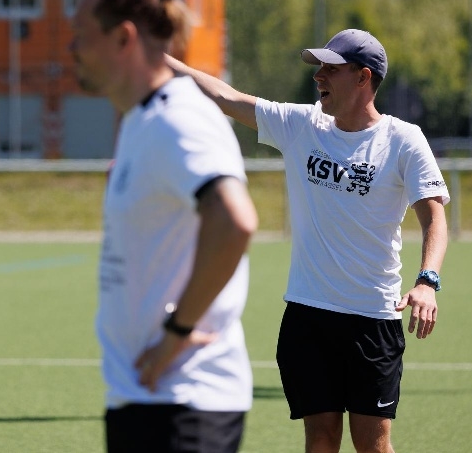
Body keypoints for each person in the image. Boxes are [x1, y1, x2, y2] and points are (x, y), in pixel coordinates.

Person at [167, 29, 449, 453]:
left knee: (372, 444)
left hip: (372, 317)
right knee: (320, 438)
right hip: (307, 315)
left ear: (363, 77)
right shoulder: (301, 125)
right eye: (319, 68)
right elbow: (225, 96)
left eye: (331, 69)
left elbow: (434, 216)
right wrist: (157, 59)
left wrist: (427, 280)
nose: (318, 76)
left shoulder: (403, 140)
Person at [69, 0, 259, 453]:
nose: (72, 48)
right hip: (145, 397)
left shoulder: (179, 119)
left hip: (185, 403)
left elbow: (235, 221)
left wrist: (176, 333)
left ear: (123, 38)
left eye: (82, 34)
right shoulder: (141, 119)